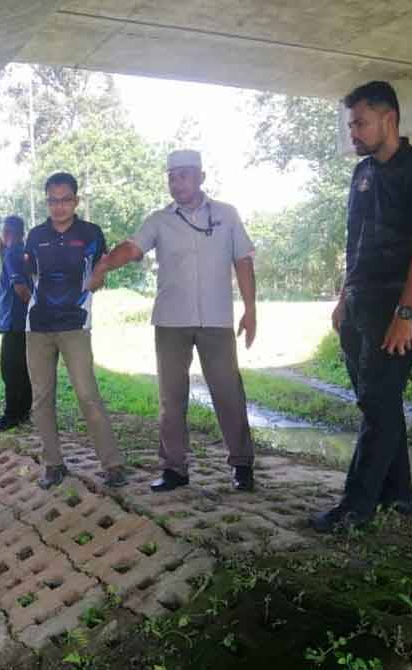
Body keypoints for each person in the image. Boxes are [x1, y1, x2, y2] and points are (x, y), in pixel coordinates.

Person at [310, 81, 412, 532]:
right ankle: (398, 495)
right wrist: (343, 298)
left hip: (398, 307)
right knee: (377, 404)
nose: (354, 132)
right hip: (360, 304)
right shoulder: (363, 173)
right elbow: (355, 242)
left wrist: (405, 315)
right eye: (351, 124)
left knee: (380, 401)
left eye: (360, 123)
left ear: (389, 119)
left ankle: (355, 507)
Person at [89, 150, 257, 493]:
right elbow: (133, 248)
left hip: (216, 319)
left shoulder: (226, 215)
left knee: (228, 392)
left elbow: (243, 261)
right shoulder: (159, 219)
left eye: (183, 175)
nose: (176, 182)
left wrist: (250, 310)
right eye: (171, 176)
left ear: (201, 177)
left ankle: (242, 465)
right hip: (171, 321)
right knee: (171, 396)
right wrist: (106, 264)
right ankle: (174, 469)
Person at [24, 172, 126, 489]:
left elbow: (102, 268)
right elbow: (27, 274)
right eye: (53, 200)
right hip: (38, 327)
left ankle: (112, 465)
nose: (59, 206)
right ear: (47, 202)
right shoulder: (35, 235)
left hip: (75, 324)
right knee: (41, 398)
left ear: (76, 201)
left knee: (87, 394)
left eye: (65, 199)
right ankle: (53, 465)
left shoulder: (91, 233)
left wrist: (99, 275)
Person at [0, 215, 33, 432]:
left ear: (12, 234)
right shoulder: (21, 253)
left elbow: (21, 289)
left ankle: (11, 416)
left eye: (6, 232)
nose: (4, 236)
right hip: (23, 323)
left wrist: (35, 306)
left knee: (11, 371)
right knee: (23, 370)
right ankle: (23, 412)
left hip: (15, 323)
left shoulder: (13, 255)